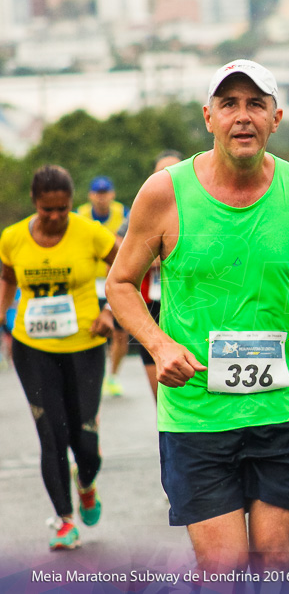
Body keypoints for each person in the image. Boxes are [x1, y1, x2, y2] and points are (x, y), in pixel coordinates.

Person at [106, 59, 289, 574]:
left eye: (254, 104)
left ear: (276, 117)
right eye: (228, 104)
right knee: (223, 568)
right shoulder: (164, 193)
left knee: (275, 561)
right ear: (208, 117)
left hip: (283, 408)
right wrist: (159, 345)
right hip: (198, 413)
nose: (241, 116)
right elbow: (120, 283)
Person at [0, 165, 117, 550]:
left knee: (84, 440)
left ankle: (86, 482)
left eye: (63, 209)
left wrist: (110, 312)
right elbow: (7, 277)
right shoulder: (13, 237)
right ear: (35, 203)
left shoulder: (91, 233)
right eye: (47, 209)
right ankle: (65, 521)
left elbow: (124, 269)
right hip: (32, 349)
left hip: (85, 345)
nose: (55, 217)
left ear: (71, 204)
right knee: (51, 435)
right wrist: (2, 315)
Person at [114, 150, 184, 401]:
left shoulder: (201, 204)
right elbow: (120, 244)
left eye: (176, 170)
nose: (170, 177)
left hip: (190, 302)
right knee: (159, 380)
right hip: (151, 301)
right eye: (163, 172)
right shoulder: (145, 206)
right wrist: (149, 256)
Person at [78, 176, 130, 397]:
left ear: (112, 194)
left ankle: (113, 376)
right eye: (97, 194)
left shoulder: (124, 213)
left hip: (114, 281)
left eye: (105, 193)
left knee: (120, 332)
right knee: (90, 330)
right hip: (90, 282)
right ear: (90, 196)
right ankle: (88, 374)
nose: (101, 198)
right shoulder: (79, 216)